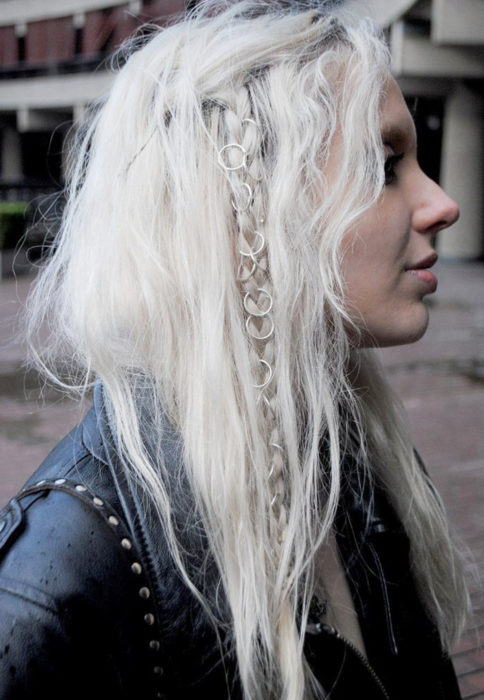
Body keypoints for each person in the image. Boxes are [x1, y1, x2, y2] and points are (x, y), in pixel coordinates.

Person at [0, 1, 469, 698]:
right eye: (384, 163)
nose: (441, 203)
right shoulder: (60, 575)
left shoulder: (354, 456)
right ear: (245, 207)